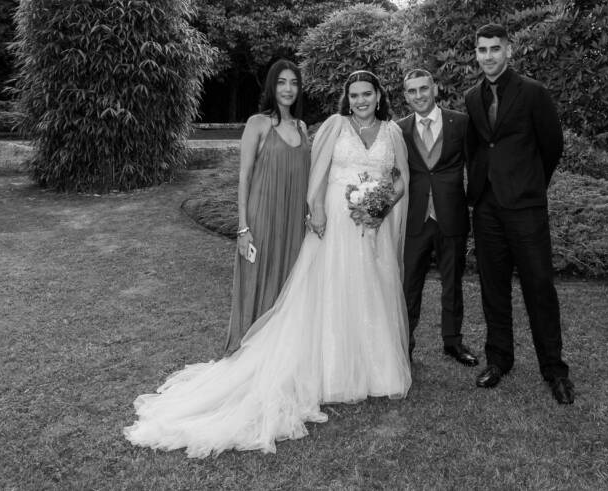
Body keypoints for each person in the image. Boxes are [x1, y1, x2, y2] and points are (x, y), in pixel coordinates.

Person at [125, 70, 411, 458]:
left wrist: (380, 206)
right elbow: (317, 172)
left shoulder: (392, 132)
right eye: (354, 94)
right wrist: (315, 209)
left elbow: (400, 179)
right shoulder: (334, 125)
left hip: (371, 225)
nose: (361, 100)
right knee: (329, 292)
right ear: (347, 98)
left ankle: (374, 370)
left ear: (379, 96)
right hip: (333, 223)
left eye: (367, 94)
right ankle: (332, 371)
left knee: (369, 292)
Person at [463, 23, 574, 405]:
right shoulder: (472, 97)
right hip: (487, 208)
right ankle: (499, 360)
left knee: (538, 287)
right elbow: (477, 147)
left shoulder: (532, 92)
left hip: (525, 206)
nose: (488, 56)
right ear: (476, 54)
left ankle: (554, 370)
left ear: (508, 50)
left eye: (495, 48)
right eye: (482, 50)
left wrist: (531, 184)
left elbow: (552, 145)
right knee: (493, 287)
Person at [225, 59, 311, 354]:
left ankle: (281, 355)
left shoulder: (301, 127)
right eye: (282, 82)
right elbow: (244, 176)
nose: (288, 89)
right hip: (262, 219)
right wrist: (243, 228)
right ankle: (250, 353)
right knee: (258, 281)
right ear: (272, 86)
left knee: (289, 283)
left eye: (294, 83)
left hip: (294, 221)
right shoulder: (258, 123)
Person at [398, 69, 478, 367]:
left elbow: (476, 166)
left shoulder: (460, 123)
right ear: (405, 96)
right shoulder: (399, 129)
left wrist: (474, 202)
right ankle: (404, 344)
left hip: (451, 215)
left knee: (453, 283)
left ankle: (453, 341)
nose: (418, 95)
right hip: (414, 218)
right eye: (412, 91)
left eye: (423, 88)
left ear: (434, 89)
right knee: (409, 285)